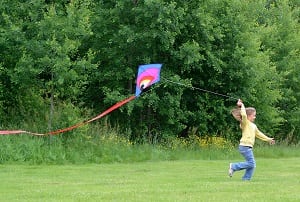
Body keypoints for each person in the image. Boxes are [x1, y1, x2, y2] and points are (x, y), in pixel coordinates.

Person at [229, 99, 275, 180]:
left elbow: (259, 134)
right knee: (251, 163)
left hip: (248, 147)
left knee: (251, 164)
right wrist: (241, 105)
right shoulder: (244, 123)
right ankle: (234, 166)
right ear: (248, 116)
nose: (255, 117)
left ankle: (246, 179)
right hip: (244, 146)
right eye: (254, 115)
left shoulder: (253, 126)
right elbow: (243, 114)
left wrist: (268, 139)